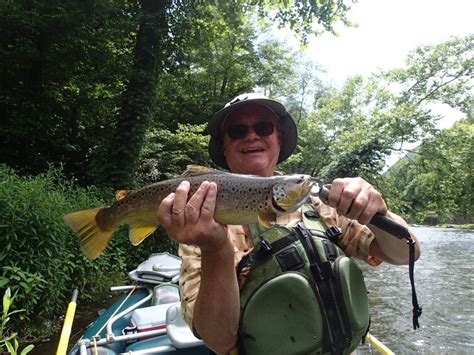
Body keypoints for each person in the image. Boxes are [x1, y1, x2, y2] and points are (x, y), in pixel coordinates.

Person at [157, 93, 421, 354]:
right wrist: (216, 250)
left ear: (279, 139)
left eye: (263, 127)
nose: (252, 135)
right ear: (224, 147)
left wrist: (379, 214)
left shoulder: (324, 205)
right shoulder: (202, 225)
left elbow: (407, 252)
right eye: (238, 131)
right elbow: (219, 341)